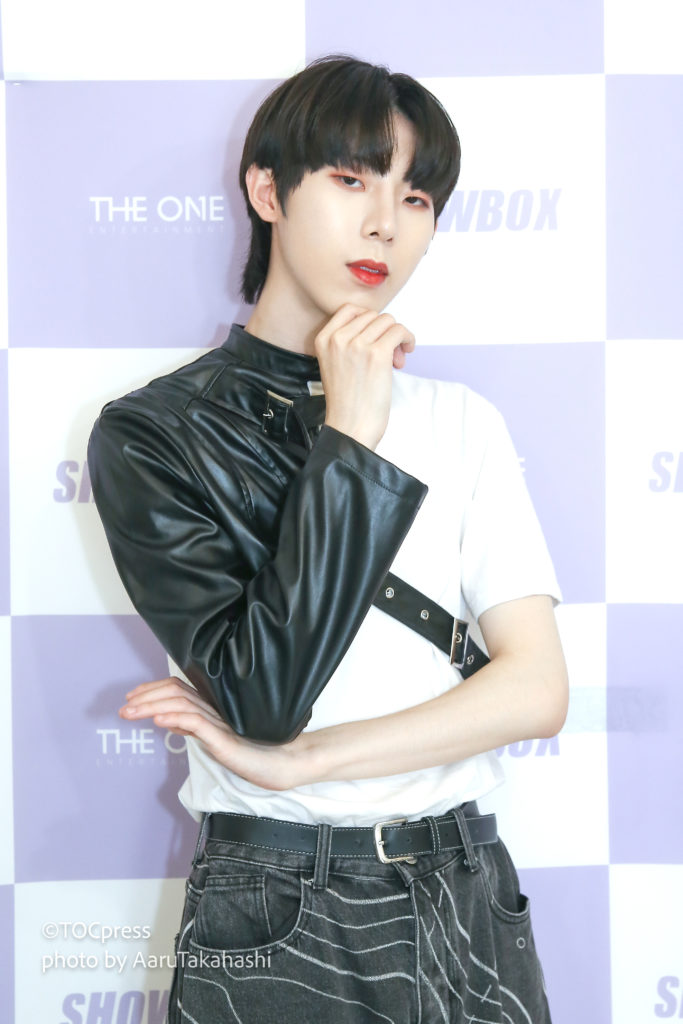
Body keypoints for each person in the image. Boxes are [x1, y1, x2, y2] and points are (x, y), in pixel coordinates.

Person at [88, 55, 568, 1024]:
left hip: (463, 886)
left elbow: (535, 690)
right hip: (274, 899)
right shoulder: (154, 433)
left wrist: (311, 761)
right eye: (351, 179)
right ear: (267, 190)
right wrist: (348, 435)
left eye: (415, 196)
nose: (385, 222)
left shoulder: (461, 419)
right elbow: (263, 698)